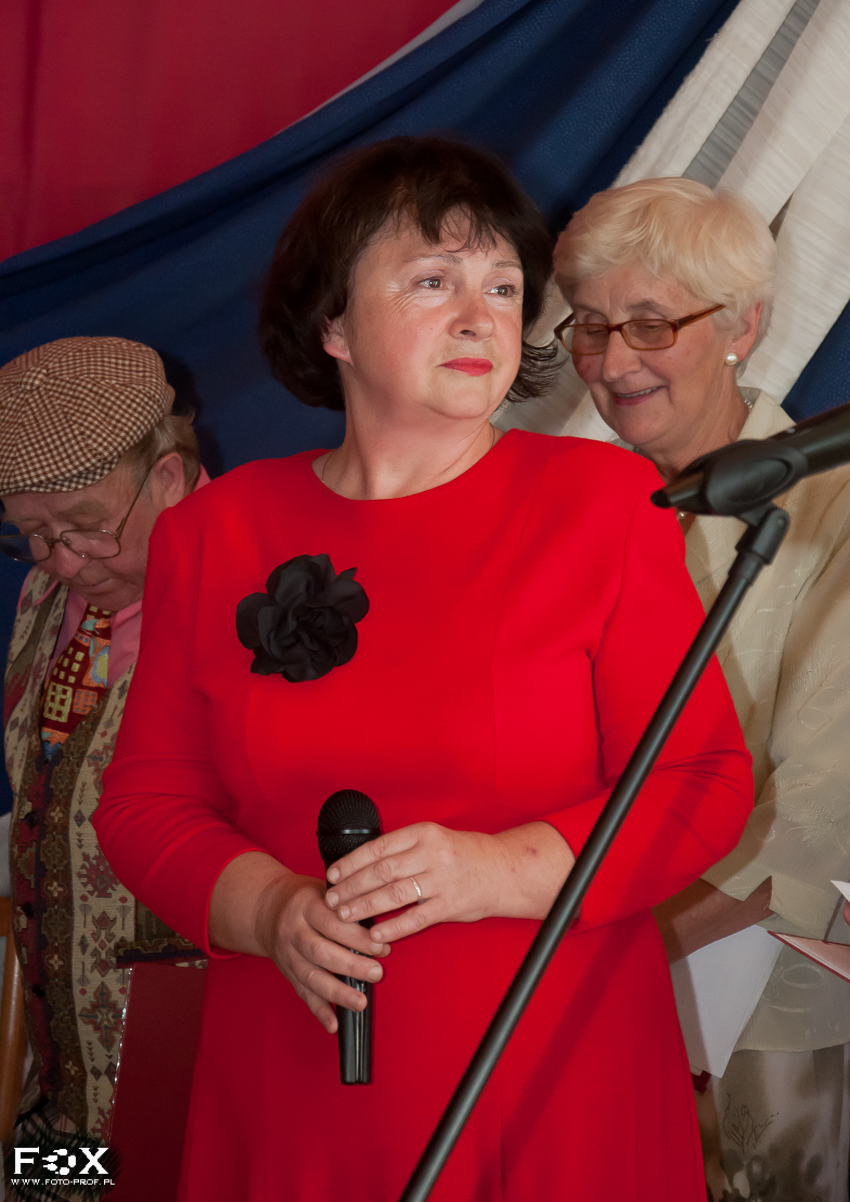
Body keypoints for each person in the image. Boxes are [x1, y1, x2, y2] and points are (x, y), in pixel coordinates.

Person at [93, 137, 751, 1202]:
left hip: (551, 1073)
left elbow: (702, 782)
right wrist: (269, 909)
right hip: (294, 1069)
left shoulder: (603, 505)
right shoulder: (214, 532)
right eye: (433, 280)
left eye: (503, 286)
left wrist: (495, 870)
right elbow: (146, 803)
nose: (482, 316)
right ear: (333, 324)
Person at [552, 177, 850, 1202]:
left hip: (766, 1015)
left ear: (743, 326)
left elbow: (814, 820)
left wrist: (604, 955)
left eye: (649, 324)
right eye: (590, 327)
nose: (611, 363)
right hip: (589, 981)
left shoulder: (833, 506)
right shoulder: (572, 518)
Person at [0, 337, 206, 1192]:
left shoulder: (261, 592)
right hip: (64, 1087)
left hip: (199, 1083)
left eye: (87, 528)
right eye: (32, 535)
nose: (64, 563)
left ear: (170, 476)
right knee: (39, 1185)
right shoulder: (46, 593)